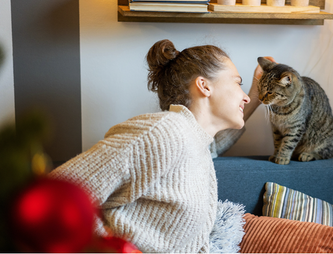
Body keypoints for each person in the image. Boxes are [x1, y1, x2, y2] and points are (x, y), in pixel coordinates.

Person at [49, 39, 272, 253]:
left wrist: (255, 92)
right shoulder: (165, 132)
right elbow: (57, 194)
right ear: (204, 86)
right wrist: (114, 249)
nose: (244, 97)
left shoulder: (193, 142)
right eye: (237, 82)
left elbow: (212, 146)